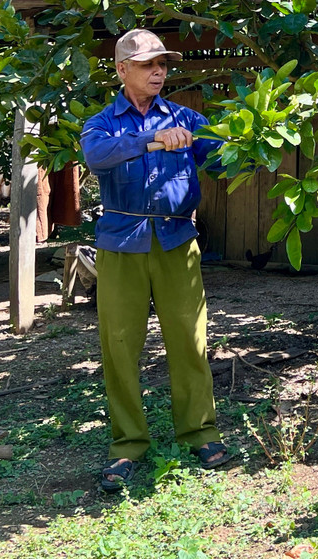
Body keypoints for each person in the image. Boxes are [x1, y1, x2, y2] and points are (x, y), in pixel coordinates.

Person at [80, 28, 234, 492]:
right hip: (120, 245)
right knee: (120, 345)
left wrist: (247, 143)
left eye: (162, 64)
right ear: (122, 69)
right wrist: (152, 140)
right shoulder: (103, 123)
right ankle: (128, 443)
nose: (158, 71)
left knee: (190, 339)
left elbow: (223, 160)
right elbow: (96, 156)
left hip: (177, 242)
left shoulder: (187, 118)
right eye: (148, 64)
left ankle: (200, 433)